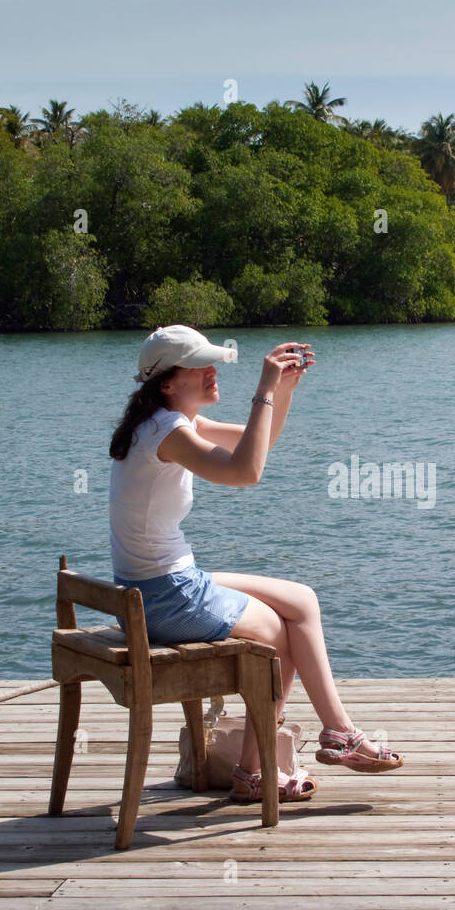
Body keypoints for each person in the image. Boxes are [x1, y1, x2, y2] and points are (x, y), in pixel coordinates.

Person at [108, 325, 403, 805]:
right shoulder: (169, 431)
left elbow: (258, 443)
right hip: (166, 593)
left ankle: (319, 740)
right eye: (200, 366)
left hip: (158, 584)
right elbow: (246, 473)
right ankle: (280, 758)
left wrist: (282, 392)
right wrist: (263, 389)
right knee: (279, 635)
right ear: (167, 382)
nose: (212, 371)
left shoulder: (167, 420)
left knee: (301, 600)